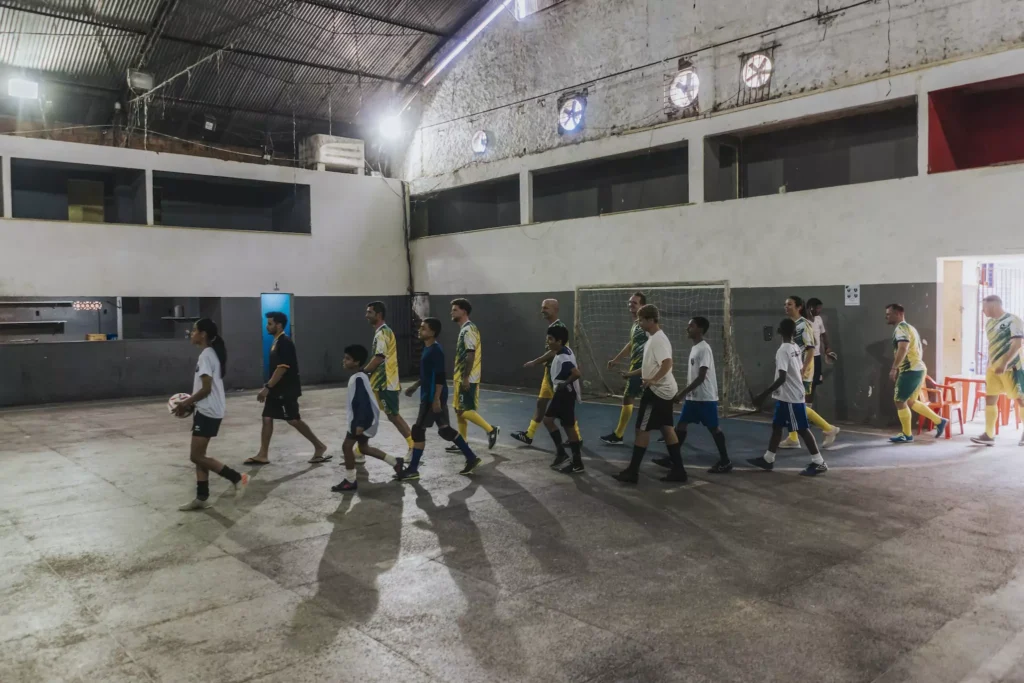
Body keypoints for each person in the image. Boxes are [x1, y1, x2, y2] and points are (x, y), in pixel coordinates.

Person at [175, 319, 249, 510]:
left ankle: (237, 477)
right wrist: (193, 403)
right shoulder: (210, 354)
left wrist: (186, 402)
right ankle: (201, 497)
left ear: (203, 334)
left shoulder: (206, 356)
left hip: (208, 410)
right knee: (199, 455)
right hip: (206, 409)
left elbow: (206, 389)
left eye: (194, 330)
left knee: (196, 456)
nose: (191, 334)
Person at [396, 318, 482, 481]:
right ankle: (471, 458)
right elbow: (428, 374)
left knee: (418, 430)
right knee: (444, 430)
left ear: (433, 332)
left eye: (424, 328)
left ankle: (413, 469)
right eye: (420, 328)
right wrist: (415, 386)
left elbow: (441, 377)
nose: (420, 331)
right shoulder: (427, 349)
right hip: (430, 396)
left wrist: (436, 399)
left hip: (432, 398)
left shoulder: (436, 350)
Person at [613, 304, 687, 484]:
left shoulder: (658, 340)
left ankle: (633, 472)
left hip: (657, 392)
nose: (638, 323)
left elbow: (667, 363)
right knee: (667, 428)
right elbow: (649, 366)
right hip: (665, 391)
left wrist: (653, 380)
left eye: (640, 320)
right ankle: (679, 470)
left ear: (650, 320)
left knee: (642, 429)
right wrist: (630, 374)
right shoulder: (652, 338)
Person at [747, 318, 828, 476]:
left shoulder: (783, 350)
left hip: (791, 397)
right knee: (777, 426)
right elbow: (796, 371)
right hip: (787, 396)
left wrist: (762, 395)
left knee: (802, 429)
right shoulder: (795, 347)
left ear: (779, 331)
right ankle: (768, 459)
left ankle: (819, 462)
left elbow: (782, 378)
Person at [247, 311, 328, 465]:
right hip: (276, 390)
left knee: (293, 420)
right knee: (267, 417)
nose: (267, 326)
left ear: (278, 325)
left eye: (270, 323)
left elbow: (282, 368)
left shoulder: (285, 342)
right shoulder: (276, 342)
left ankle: (319, 446)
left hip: (285, 391)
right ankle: (263, 454)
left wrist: (267, 387)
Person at [652, 317, 732, 473]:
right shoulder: (695, 348)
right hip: (693, 398)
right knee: (681, 426)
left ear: (700, 329)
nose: (687, 329)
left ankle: (725, 461)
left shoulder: (704, 348)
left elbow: (701, 377)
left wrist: (682, 393)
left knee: (714, 429)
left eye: (691, 326)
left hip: (705, 398)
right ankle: (672, 459)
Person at [331, 345, 405, 492]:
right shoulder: (360, 377)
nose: (344, 361)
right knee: (364, 447)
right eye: (345, 358)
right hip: (365, 420)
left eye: (348, 359)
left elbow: (362, 402)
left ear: (357, 362)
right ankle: (394, 462)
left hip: (360, 421)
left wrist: (359, 424)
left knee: (346, 447)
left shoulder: (358, 378)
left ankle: (350, 480)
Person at [511, 298, 581, 445]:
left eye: (546, 308)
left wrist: (535, 362)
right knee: (541, 403)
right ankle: (529, 434)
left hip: (556, 375)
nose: (542, 310)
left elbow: (554, 352)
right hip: (548, 374)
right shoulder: (552, 327)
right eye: (542, 307)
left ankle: (576, 438)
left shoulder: (559, 328)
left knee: (565, 409)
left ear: (555, 309)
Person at [779, 296, 840, 449]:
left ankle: (828, 428)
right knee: (788, 403)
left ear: (799, 307)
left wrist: (802, 370)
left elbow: (811, 350)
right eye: (785, 304)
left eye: (790, 304)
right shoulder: (791, 324)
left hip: (801, 371)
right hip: (793, 369)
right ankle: (793, 438)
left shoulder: (804, 325)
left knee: (797, 405)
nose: (786, 307)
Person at [885, 304, 949, 443]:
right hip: (918, 369)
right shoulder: (910, 328)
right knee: (911, 401)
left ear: (898, 314)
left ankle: (907, 435)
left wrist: (894, 368)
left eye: (889, 314)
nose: (886, 317)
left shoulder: (901, 328)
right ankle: (939, 421)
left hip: (910, 370)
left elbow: (903, 348)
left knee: (899, 401)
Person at [447, 298, 500, 453]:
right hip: (461, 376)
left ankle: (491, 429)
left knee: (464, 410)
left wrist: (465, 378)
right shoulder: (465, 329)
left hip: (468, 378)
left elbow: (471, 354)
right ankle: (462, 442)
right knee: (458, 410)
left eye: (455, 309)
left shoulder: (469, 330)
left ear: (464, 311)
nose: (452, 312)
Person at [971, 295, 1024, 446]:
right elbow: (992, 345)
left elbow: (1018, 343)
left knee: (1020, 399)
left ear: (994, 306)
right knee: (990, 398)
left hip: (1012, 367)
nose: (983, 310)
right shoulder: (989, 324)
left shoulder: (1013, 320)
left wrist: (1005, 363)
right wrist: (990, 364)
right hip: (994, 369)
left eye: (985, 307)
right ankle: (989, 435)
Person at [364, 301, 414, 453]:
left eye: (369, 312)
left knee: (393, 416)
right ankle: (360, 450)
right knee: (368, 414)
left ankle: (414, 446)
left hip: (385, 383)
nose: (366, 315)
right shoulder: (382, 332)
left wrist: (363, 372)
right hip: (379, 383)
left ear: (378, 315)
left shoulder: (382, 333)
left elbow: (379, 357)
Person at [601, 291, 647, 445]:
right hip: (637, 366)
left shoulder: (645, 325)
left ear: (643, 306)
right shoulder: (635, 325)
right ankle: (669, 430)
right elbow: (631, 344)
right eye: (629, 302)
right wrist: (616, 360)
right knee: (654, 402)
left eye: (634, 303)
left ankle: (618, 435)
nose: (630, 305)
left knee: (629, 397)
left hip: (642, 368)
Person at [543, 324, 585, 473]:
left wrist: (565, 383)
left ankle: (563, 454)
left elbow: (576, 373)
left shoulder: (562, 357)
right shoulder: (566, 351)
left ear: (559, 341)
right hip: (567, 394)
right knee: (568, 426)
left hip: (564, 394)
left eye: (550, 339)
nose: (547, 341)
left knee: (548, 420)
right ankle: (576, 461)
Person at [806, 298, 837, 403]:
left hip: (817, 357)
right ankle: (802, 410)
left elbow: (823, 335)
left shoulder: (818, 319)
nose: (819, 310)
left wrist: (827, 348)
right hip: (806, 358)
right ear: (811, 308)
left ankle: (808, 409)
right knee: (806, 384)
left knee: (814, 383)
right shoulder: (803, 322)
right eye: (818, 308)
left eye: (820, 308)